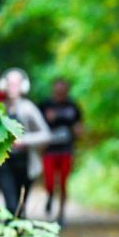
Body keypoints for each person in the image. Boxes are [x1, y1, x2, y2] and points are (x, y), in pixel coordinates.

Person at [0, 68, 51, 218]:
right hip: (4, 164)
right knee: (11, 205)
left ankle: (18, 234)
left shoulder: (29, 108)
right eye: (10, 83)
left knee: (20, 207)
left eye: (16, 83)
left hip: (25, 164)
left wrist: (24, 141)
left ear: (23, 86)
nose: (13, 87)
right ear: (4, 85)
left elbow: (46, 134)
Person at [38, 78, 83, 226]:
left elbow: (79, 126)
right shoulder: (45, 105)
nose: (60, 93)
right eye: (57, 90)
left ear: (67, 91)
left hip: (66, 150)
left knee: (63, 182)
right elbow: (35, 125)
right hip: (49, 150)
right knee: (49, 181)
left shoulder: (73, 106)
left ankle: (61, 214)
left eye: (62, 90)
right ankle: (50, 195)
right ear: (53, 90)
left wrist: (78, 132)